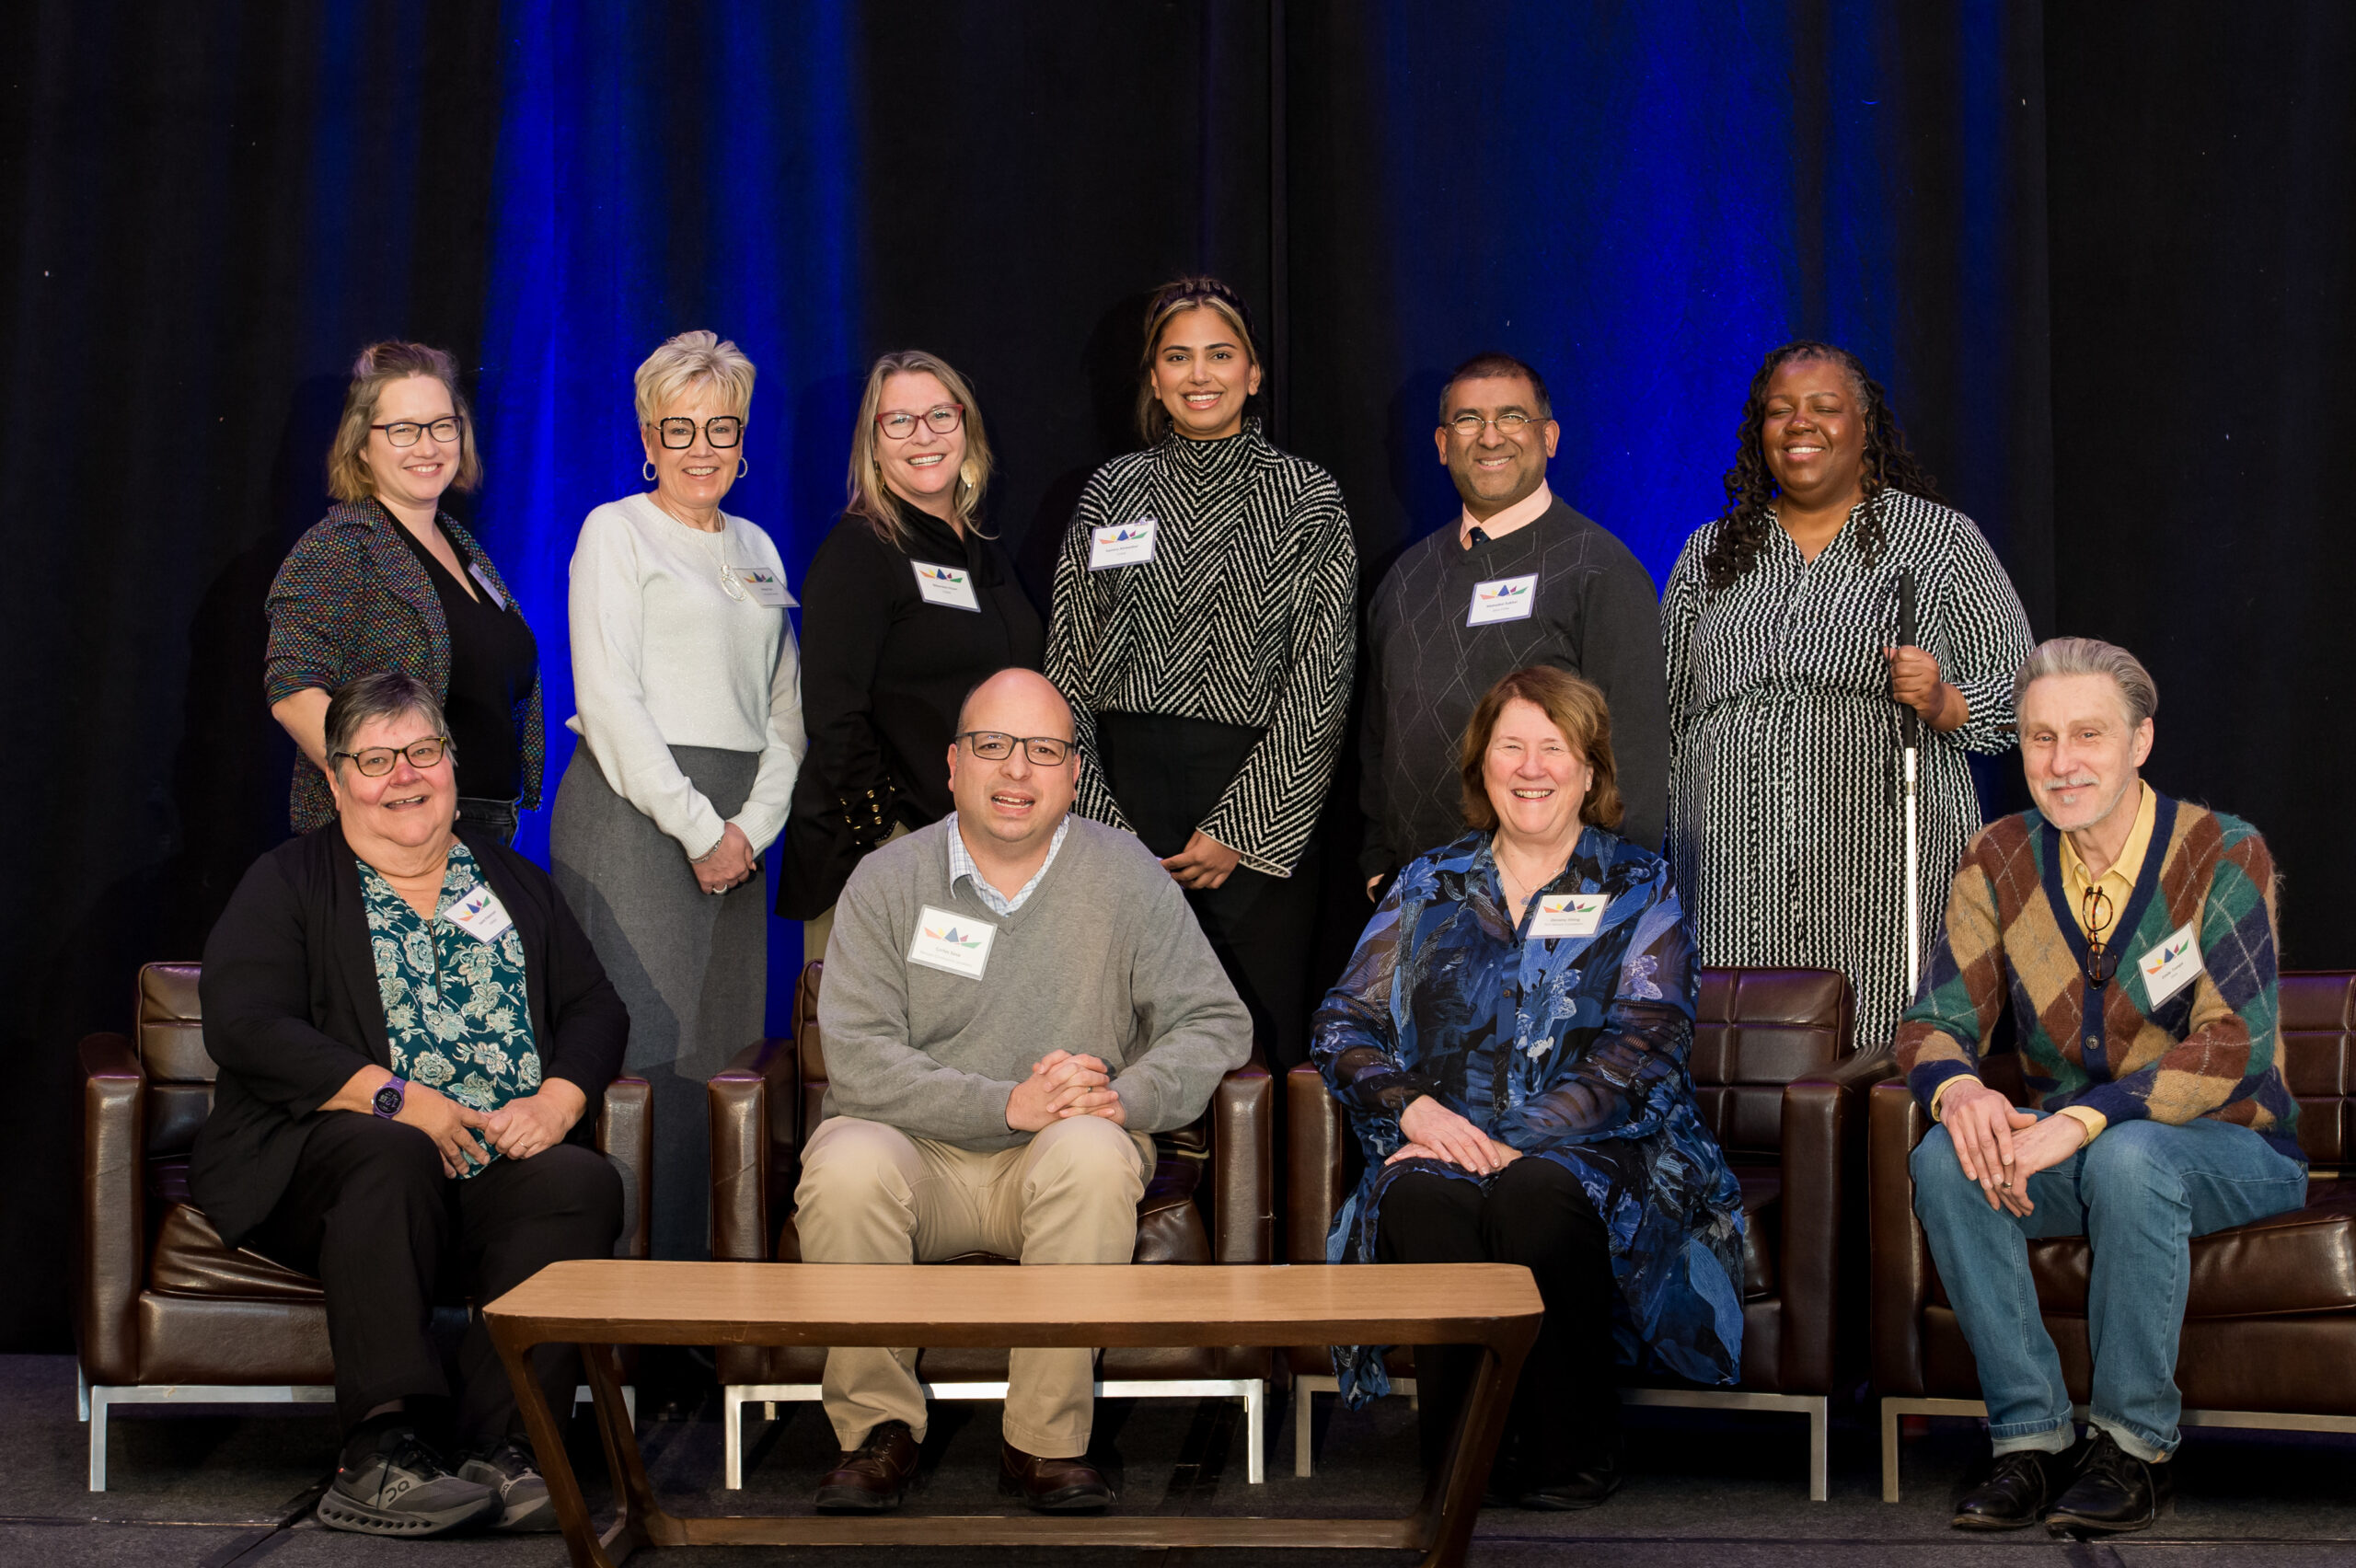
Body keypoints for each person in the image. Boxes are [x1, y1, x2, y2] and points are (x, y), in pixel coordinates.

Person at [796, 668, 1252, 1516]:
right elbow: (856, 1056)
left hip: (1057, 1158)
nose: (1016, 770)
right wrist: (1006, 1104)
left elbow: (1214, 1021)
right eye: (993, 746)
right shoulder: (887, 879)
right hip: (913, 1156)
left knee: (1092, 1152)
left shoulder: (1125, 876)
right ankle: (876, 1432)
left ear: (1074, 773)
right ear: (953, 764)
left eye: (1043, 750)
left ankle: (1046, 1440)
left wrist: (1124, 1098)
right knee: (844, 1162)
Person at [191, 673, 627, 1538]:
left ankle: (511, 1449)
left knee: (579, 1181)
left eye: (423, 751)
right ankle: (381, 1451)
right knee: (388, 1149)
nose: (405, 776)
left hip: (484, 1166)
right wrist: (398, 1099)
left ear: (451, 764)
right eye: (376, 760)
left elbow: (594, 1008)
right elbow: (243, 1024)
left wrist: (557, 1101)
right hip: (325, 1167)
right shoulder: (288, 882)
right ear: (335, 780)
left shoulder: (513, 883)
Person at [1897, 638, 2305, 1536]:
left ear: (2139, 741)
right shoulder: (1999, 857)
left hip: (2235, 1147)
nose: (2061, 762)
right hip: (2082, 1146)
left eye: (2088, 734)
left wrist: (2083, 1118)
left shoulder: (2221, 852)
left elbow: (2234, 1045)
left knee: (2129, 1156)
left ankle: (2133, 1449)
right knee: (1943, 1161)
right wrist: (1959, 1093)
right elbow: (1934, 1021)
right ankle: (2030, 1440)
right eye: (2041, 738)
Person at [1314, 666, 1745, 1511]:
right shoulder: (1427, 884)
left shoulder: (1638, 884)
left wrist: (1512, 1139)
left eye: (1554, 747)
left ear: (1590, 771)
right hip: (1442, 1141)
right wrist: (1417, 1111)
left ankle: (1572, 1452)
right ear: (1482, 767)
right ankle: (1463, 1455)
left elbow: (1647, 1041)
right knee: (1421, 1196)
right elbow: (1340, 1024)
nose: (1531, 767)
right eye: (1511, 746)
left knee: (1535, 1192)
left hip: (1604, 1146)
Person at [1661, 340, 2034, 1049]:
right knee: (1744, 1046)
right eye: (1780, 411)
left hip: (1881, 858)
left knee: (1879, 1044)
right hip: (1731, 860)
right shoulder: (1710, 552)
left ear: (1865, 428)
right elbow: (1669, 715)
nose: (1799, 423)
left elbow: (2024, 691)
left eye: (1824, 407)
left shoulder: (1938, 539)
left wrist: (1945, 701)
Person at [1046, 275, 1355, 1073]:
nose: (1199, 374)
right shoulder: (1111, 493)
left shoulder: (1308, 497)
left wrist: (1240, 831)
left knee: (1252, 1043)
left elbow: (1320, 683)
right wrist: (1101, 826)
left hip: (1253, 804)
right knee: (1121, 1035)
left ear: (1254, 373)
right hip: (1124, 800)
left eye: (1220, 354)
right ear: (1154, 378)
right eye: (1177, 357)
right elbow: (1065, 670)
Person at [551, 329, 806, 1265]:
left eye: (721, 428)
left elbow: (787, 714)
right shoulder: (615, 531)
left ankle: (705, 1290)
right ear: (648, 440)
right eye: (679, 428)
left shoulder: (758, 545)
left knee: (721, 1060)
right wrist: (702, 830)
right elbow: (609, 702)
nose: (701, 448)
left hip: (739, 830)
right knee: (640, 1055)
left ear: (743, 441)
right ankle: (620, 1301)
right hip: (637, 815)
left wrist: (750, 829)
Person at [1362, 352, 1669, 897]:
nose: (1490, 437)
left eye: (1511, 417)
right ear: (1442, 444)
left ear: (1548, 437)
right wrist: (1377, 863)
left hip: (1549, 905)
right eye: (1468, 420)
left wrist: (1600, 898)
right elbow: (1377, 738)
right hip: (1420, 900)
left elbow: (1636, 756)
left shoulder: (1600, 569)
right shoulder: (1404, 578)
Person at [778, 351, 1044, 955]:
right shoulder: (859, 552)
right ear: (873, 445)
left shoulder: (982, 548)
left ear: (966, 428)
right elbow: (833, 714)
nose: (924, 435)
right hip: (878, 859)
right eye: (899, 421)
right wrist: (889, 835)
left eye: (940, 416)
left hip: (973, 851)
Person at [267, 341, 541, 843]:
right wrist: (392, 790)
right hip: (395, 834)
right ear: (361, 444)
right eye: (403, 430)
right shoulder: (340, 545)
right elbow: (293, 692)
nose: (428, 447)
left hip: (486, 826)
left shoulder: (461, 546)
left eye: (442, 426)